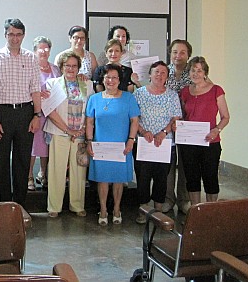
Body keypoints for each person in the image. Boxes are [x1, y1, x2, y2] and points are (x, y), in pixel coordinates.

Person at [0, 18, 42, 206]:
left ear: (23, 36)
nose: (15, 38)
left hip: (25, 113)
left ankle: (19, 205)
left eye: (18, 35)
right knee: (1, 161)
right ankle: (1, 205)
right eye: (11, 34)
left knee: (22, 160)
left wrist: (37, 115)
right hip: (1, 113)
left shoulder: (31, 58)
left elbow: (35, 88)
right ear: (5, 35)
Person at [85, 64, 140, 225]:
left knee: (118, 179)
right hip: (100, 145)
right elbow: (89, 122)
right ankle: (103, 210)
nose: (111, 80)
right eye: (107, 77)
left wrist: (131, 140)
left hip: (122, 145)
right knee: (102, 179)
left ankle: (116, 209)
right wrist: (89, 141)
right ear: (103, 79)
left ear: (119, 80)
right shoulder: (94, 99)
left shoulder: (128, 98)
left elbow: (134, 121)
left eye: (114, 77)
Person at [133, 61, 182, 224]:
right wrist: (143, 131)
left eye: (163, 73)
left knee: (162, 178)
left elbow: (175, 118)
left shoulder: (172, 95)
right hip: (144, 142)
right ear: (150, 74)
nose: (159, 75)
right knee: (143, 178)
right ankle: (143, 210)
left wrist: (164, 132)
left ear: (167, 76)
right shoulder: (139, 93)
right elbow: (133, 118)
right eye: (156, 72)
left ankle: (159, 211)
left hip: (165, 143)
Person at [44, 51, 91, 217]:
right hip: (59, 132)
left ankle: (77, 206)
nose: (71, 69)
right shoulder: (52, 84)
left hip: (80, 134)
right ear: (61, 67)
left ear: (79, 68)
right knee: (57, 170)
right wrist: (68, 130)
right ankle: (54, 207)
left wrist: (83, 128)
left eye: (74, 66)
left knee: (79, 171)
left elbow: (91, 111)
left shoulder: (88, 84)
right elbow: (50, 111)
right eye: (67, 65)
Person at [179, 56, 230, 206]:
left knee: (210, 176)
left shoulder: (216, 90)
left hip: (210, 141)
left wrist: (217, 130)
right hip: (189, 142)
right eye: (193, 70)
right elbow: (183, 115)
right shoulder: (185, 92)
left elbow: (226, 117)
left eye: (199, 70)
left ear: (205, 73)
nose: (195, 73)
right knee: (192, 176)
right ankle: (195, 209)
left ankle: (211, 210)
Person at [162, 39, 193, 214]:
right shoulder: (165, 72)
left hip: (190, 125)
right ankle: (168, 198)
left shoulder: (195, 71)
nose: (178, 56)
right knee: (168, 163)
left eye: (182, 52)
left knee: (186, 163)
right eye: (174, 52)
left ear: (188, 54)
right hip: (168, 124)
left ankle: (184, 199)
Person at [28, 36, 61, 191]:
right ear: (35, 51)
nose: (44, 51)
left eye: (46, 48)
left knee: (47, 145)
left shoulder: (55, 69)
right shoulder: (29, 68)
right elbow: (24, 90)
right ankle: (29, 177)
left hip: (52, 113)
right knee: (34, 146)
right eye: (40, 48)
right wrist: (38, 95)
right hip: (35, 113)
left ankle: (43, 173)